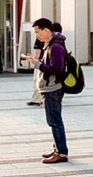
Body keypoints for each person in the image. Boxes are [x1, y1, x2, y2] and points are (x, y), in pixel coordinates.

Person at [24, 17, 70, 164]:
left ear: (46, 30)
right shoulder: (50, 44)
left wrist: (38, 64)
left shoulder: (55, 46)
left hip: (53, 88)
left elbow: (57, 69)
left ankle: (61, 152)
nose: (37, 36)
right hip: (50, 87)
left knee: (55, 121)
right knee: (54, 120)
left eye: (38, 32)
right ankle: (57, 148)